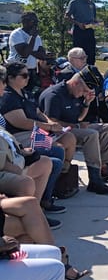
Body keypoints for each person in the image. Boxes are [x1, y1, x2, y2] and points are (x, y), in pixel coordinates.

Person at [0, 62, 72, 212]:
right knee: (56, 151)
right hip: (20, 135)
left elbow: (39, 112)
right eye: (24, 75)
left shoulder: (25, 93)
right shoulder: (8, 97)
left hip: (30, 135)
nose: (28, 79)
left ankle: (51, 192)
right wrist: (49, 127)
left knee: (68, 139)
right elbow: (21, 122)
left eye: (29, 75)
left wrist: (51, 123)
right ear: (11, 78)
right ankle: (44, 202)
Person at [38, 71, 108, 194]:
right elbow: (52, 123)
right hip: (57, 133)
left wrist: (86, 103)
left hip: (73, 127)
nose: (84, 93)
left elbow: (79, 118)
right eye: (84, 90)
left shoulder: (75, 93)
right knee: (91, 135)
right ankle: (94, 179)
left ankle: (106, 169)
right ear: (75, 83)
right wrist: (77, 125)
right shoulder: (54, 95)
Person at [7, 12, 54, 95]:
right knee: (14, 93)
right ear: (24, 21)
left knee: (30, 94)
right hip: (16, 70)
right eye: (33, 21)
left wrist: (29, 51)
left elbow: (42, 55)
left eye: (37, 22)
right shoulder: (17, 34)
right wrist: (32, 38)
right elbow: (24, 54)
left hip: (31, 70)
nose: (35, 24)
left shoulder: (37, 37)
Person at [65, 0, 99, 64]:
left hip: (89, 30)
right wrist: (78, 23)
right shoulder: (75, 2)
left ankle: (90, 71)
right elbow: (67, 16)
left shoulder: (92, 4)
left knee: (91, 53)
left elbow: (94, 18)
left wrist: (96, 23)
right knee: (78, 53)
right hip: (79, 30)